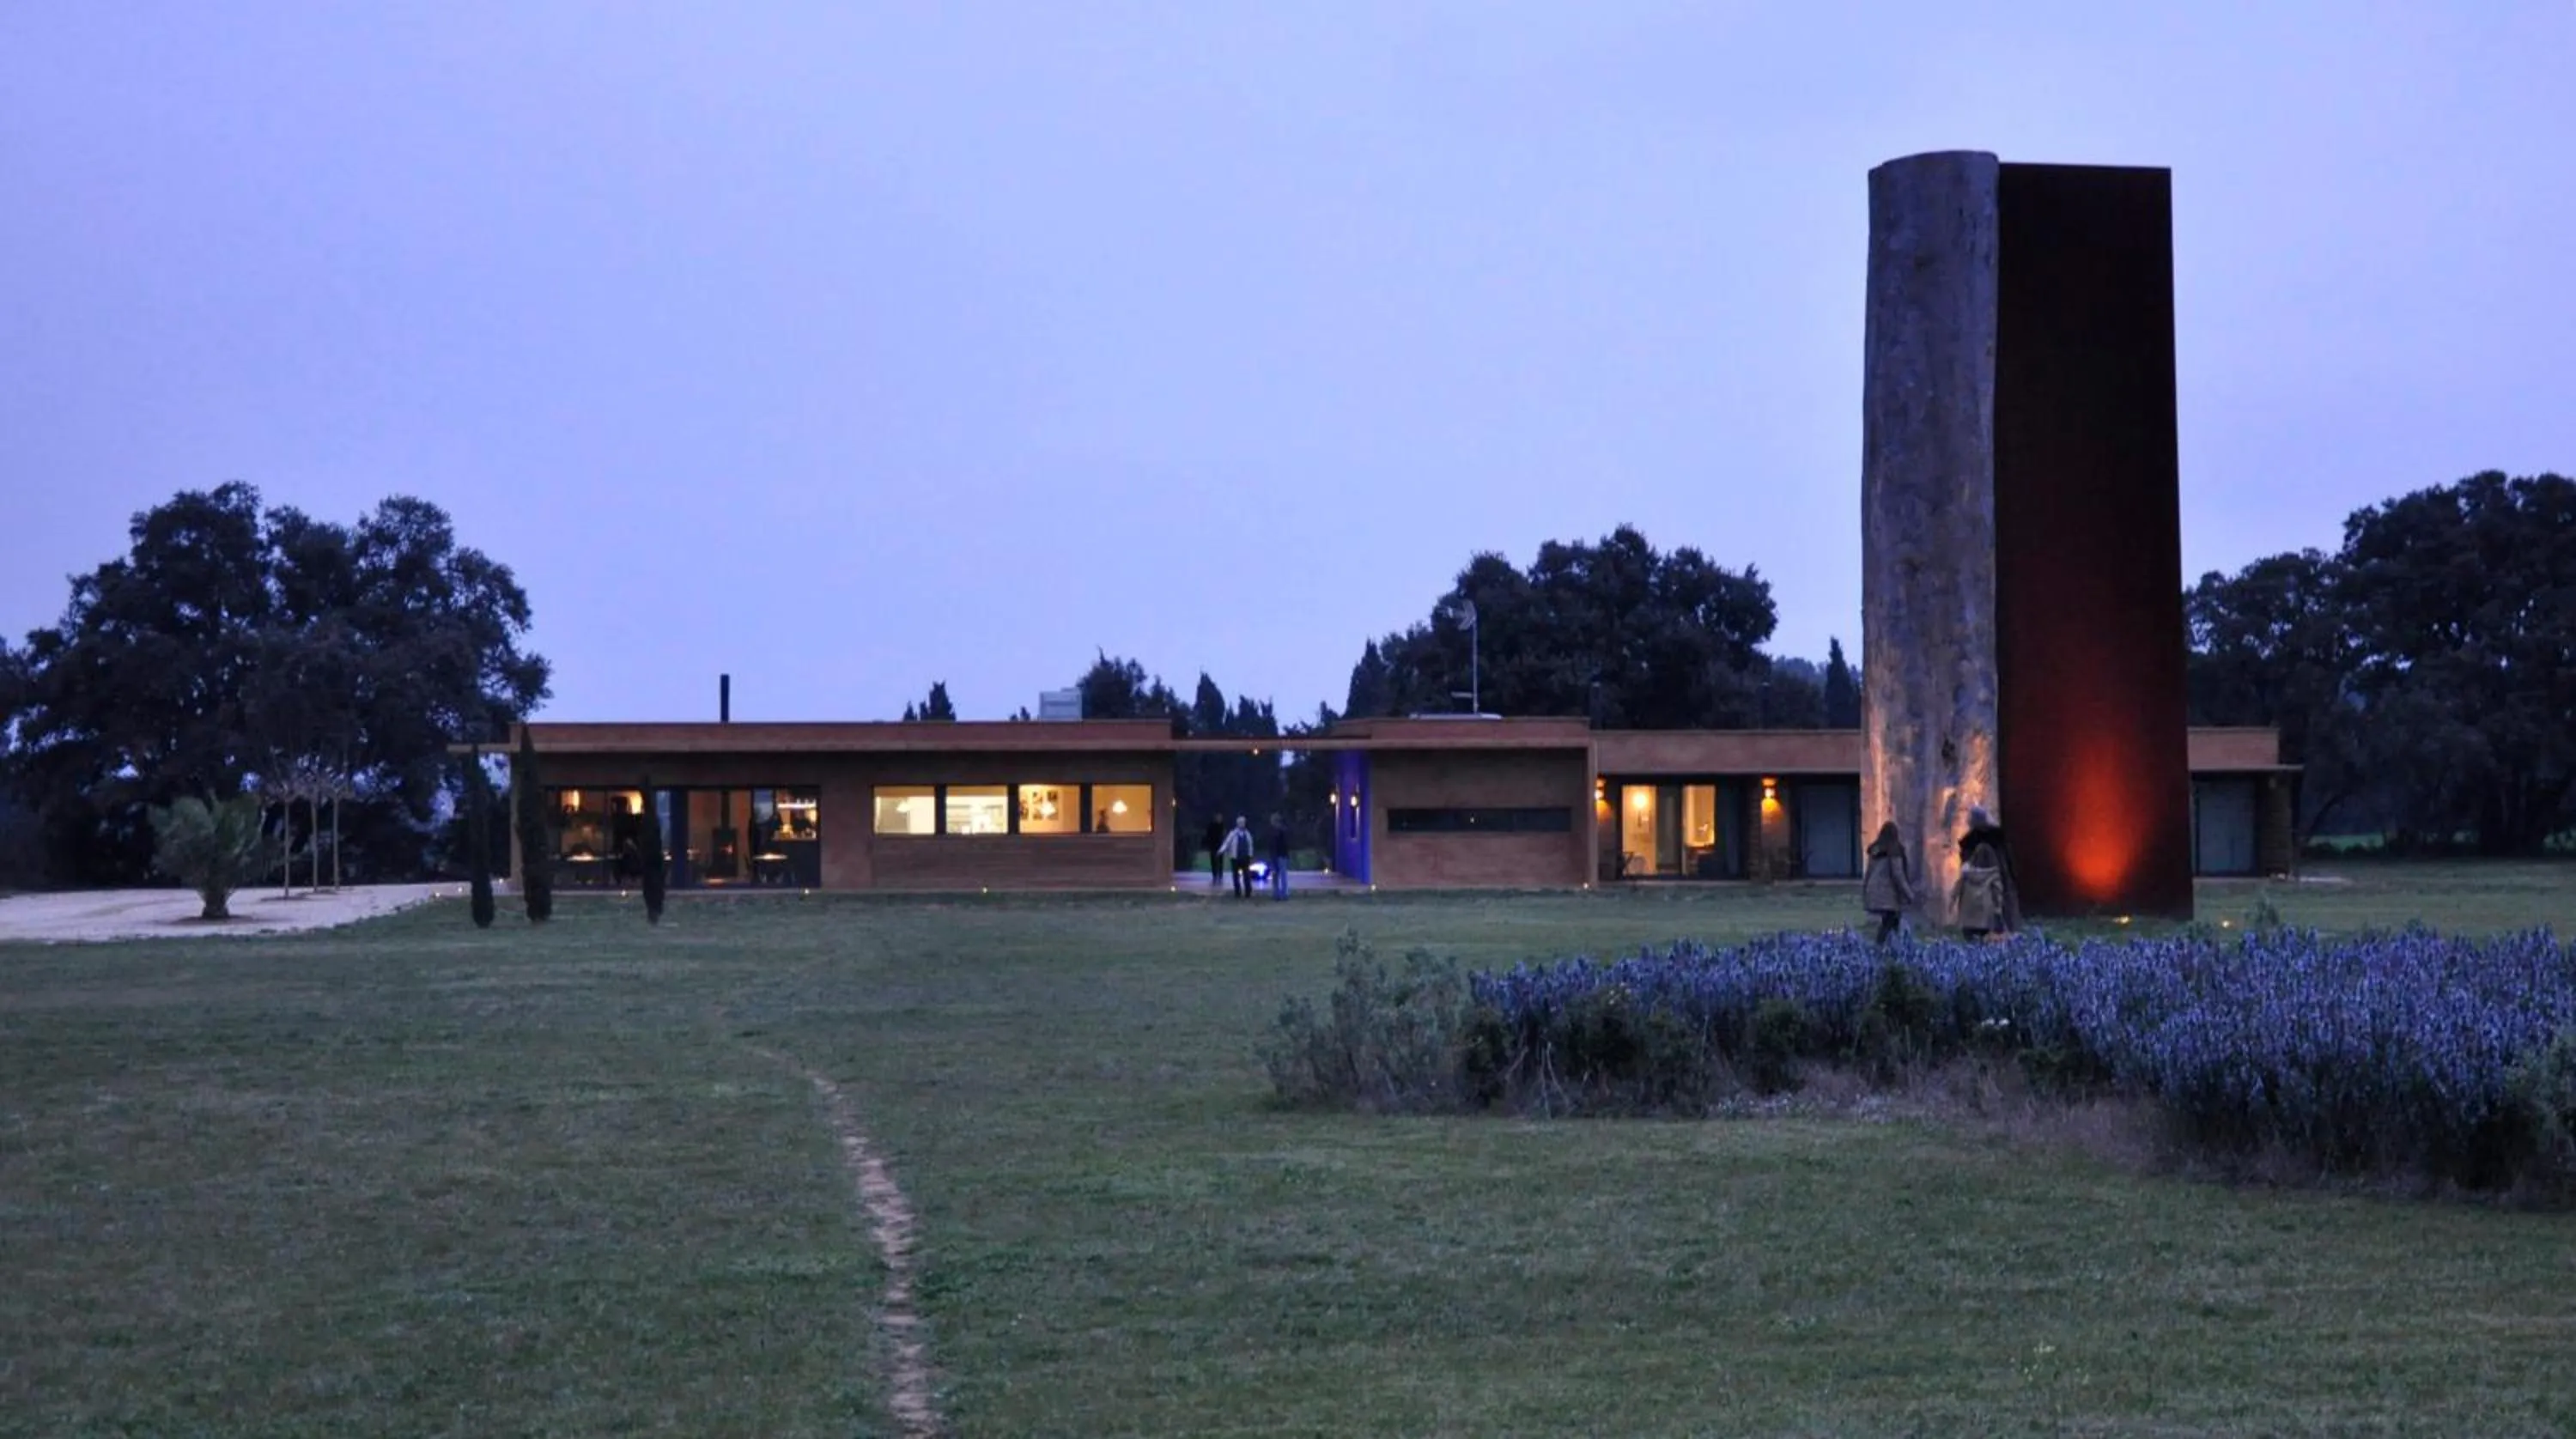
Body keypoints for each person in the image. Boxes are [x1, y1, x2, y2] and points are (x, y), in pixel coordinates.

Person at [1957, 806, 2024, 932]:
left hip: (1981, 887)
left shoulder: (1971, 841)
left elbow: (1965, 866)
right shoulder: (1996, 838)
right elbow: (2008, 863)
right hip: (1996, 882)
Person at [1860, 821, 1914, 944]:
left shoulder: (1875, 851)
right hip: (1888, 894)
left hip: (1874, 890)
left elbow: (1868, 873)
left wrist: (1865, 892)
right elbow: (1898, 875)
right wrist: (1909, 894)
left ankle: (1890, 948)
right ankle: (1882, 947)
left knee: (1891, 922)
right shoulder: (1894, 850)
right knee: (1890, 922)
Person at [1954, 841, 2005, 940]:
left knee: (1968, 942)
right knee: (1982, 941)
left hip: (1968, 912)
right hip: (1985, 914)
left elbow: (1958, 888)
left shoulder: (1966, 873)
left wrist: (1953, 903)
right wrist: (1998, 909)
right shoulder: (1993, 874)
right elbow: (1997, 892)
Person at [1222, 815, 1256, 898]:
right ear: (1237, 824)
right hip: (1235, 858)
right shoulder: (1233, 833)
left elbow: (1250, 845)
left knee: (1246, 876)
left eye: (1243, 823)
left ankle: (1248, 892)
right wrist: (1221, 851)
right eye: (1240, 823)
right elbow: (1227, 843)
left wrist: (1250, 855)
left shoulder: (1247, 834)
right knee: (1236, 876)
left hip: (1245, 858)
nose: (1242, 824)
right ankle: (1237, 892)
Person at [1266, 812, 1291, 899]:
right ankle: (1277, 893)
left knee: (1280, 875)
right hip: (1277, 855)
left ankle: (1282, 893)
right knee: (1276, 875)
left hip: (1280, 855)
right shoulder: (1273, 831)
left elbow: (1283, 844)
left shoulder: (1282, 831)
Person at [1202, 815, 1227, 886]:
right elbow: (1208, 835)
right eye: (1218, 818)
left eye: (1220, 818)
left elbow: (1224, 835)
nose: (1219, 819)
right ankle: (1215, 875)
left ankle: (1220, 874)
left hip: (1220, 846)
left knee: (1220, 860)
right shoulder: (1211, 826)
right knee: (1213, 860)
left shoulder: (1222, 826)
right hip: (1213, 846)